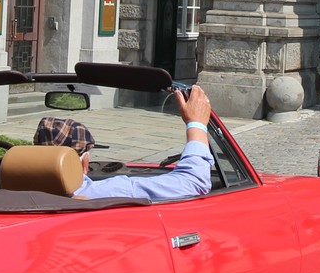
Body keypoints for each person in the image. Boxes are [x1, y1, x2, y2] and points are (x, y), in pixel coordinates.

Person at [35, 86, 217, 203]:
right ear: (85, 163)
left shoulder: (19, 194)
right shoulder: (109, 192)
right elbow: (195, 182)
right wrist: (196, 124)